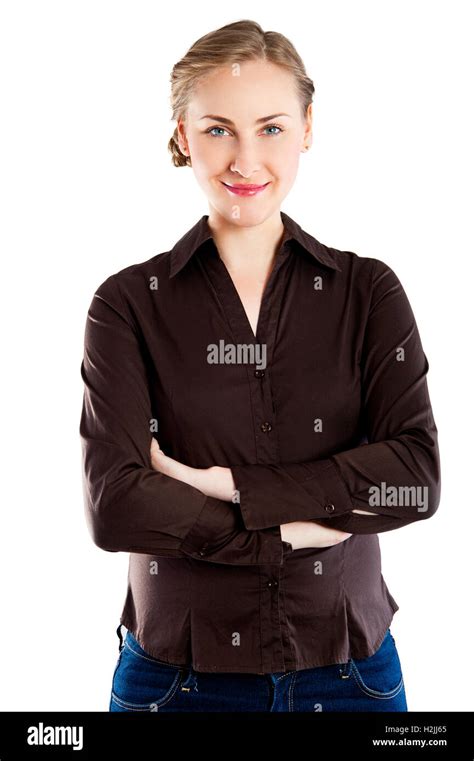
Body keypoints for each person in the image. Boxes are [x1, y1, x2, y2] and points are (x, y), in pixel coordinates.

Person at [79, 19, 440, 712]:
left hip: (354, 676)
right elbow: (116, 505)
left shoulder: (370, 293)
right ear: (183, 135)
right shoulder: (125, 305)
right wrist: (307, 524)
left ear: (307, 127)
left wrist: (223, 484)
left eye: (271, 128)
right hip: (176, 681)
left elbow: (415, 480)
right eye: (218, 129)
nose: (246, 160)